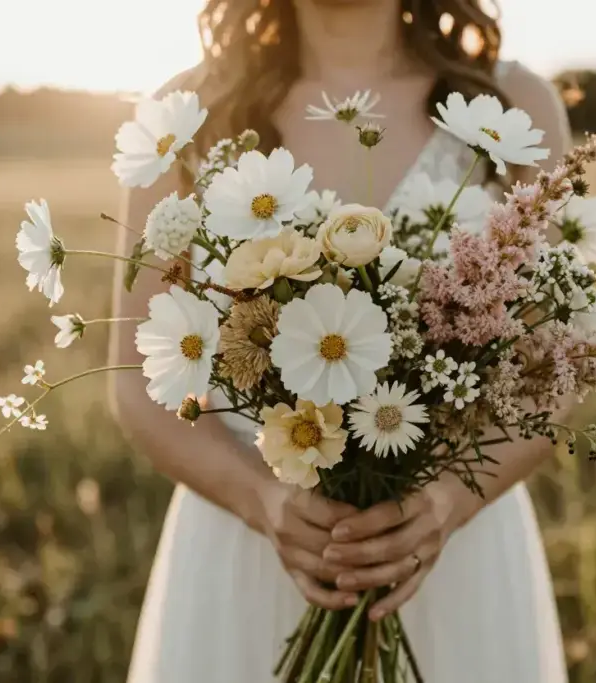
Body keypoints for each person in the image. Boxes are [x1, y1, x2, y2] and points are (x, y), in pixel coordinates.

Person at [110, 1, 572, 681]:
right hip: (254, 547)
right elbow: (135, 379)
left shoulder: (511, 100)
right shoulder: (179, 116)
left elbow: (553, 366)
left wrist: (447, 501)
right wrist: (264, 502)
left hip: (451, 551)